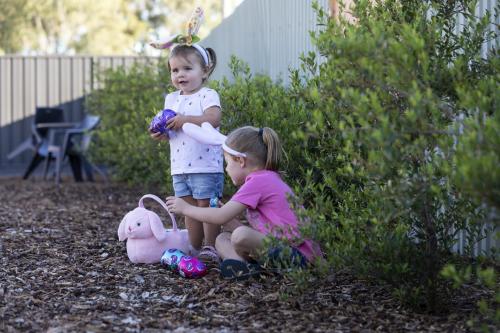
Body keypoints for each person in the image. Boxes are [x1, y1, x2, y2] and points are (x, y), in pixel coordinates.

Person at [166, 126, 323, 279]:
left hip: (299, 257)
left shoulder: (259, 181)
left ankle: (245, 267)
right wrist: (230, 221)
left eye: (227, 163)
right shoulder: (265, 178)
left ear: (240, 161)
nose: (226, 169)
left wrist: (186, 208)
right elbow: (261, 233)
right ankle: (243, 268)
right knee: (222, 239)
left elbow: (220, 216)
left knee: (240, 235)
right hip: (283, 250)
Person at [150, 43, 223, 263]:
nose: (180, 74)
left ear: (205, 71)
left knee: (206, 206)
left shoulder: (207, 95)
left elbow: (213, 119)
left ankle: (211, 247)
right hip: (180, 166)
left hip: (206, 165)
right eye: (175, 70)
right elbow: (172, 128)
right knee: (188, 209)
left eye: (187, 69)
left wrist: (184, 120)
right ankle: (193, 246)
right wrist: (162, 133)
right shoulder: (171, 99)